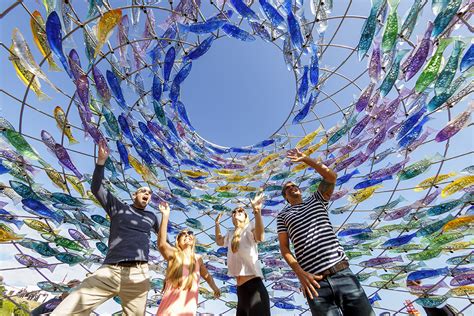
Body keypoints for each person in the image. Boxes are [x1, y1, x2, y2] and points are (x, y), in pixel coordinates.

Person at [52, 141, 159, 315]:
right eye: (143, 191)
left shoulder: (152, 217)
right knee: (65, 311)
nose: (147, 194)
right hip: (110, 270)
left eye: (149, 193)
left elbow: (163, 242)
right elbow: (97, 188)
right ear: (134, 195)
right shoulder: (119, 207)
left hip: (139, 274)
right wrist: (101, 162)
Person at [277, 148, 374, 316]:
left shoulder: (316, 199)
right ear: (285, 196)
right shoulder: (283, 216)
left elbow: (331, 177)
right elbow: (285, 248)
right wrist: (300, 274)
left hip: (342, 272)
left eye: (294, 185)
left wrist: (306, 159)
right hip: (313, 283)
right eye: (288, 187)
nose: (292, 187)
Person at [156, 201, 220, 315]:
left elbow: (208, 277)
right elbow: (161, 244)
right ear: (178, 242)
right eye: (182, 234)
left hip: (188, 310)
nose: (187, 235)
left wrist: (215, 288)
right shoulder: (174, 254)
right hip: (170, 310)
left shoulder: (198, 259)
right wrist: (165, 216)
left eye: (189, 233)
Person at [214, 192, 271, 316]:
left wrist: (257, 211)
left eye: (240, 211)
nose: (235, 213)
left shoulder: (250, 227)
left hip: (254, 288)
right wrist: (217, 224)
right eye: (233, 212)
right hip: (240, 290)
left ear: (245, 216)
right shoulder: (230, 234)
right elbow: (219, 241)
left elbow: (260, 236)